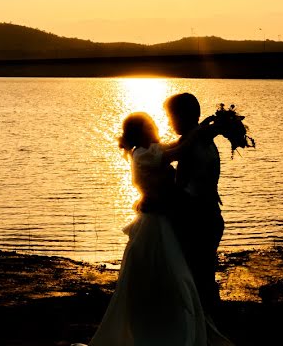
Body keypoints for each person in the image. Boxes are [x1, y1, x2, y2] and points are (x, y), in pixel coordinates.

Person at [88, 112, 231, 346]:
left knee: (174, 275)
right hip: (154, 224)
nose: (155, 125)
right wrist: (203, 131)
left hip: (160, 219)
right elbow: (178, 152)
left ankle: (178, 321)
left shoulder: (151, 150)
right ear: (140, 132)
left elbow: (177, 144)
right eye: (149, 124)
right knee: (169, 274)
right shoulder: (143, 155)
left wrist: (204, 127)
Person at [163, 92, 225, 317]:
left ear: (183, 116)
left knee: (196, 276)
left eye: (171, 117)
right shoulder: (203, 140)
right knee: (204, 275)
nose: (169, 122)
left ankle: (202, 327)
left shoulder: (192, 144)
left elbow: (169, 159)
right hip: (211, 215)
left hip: (198, 218)